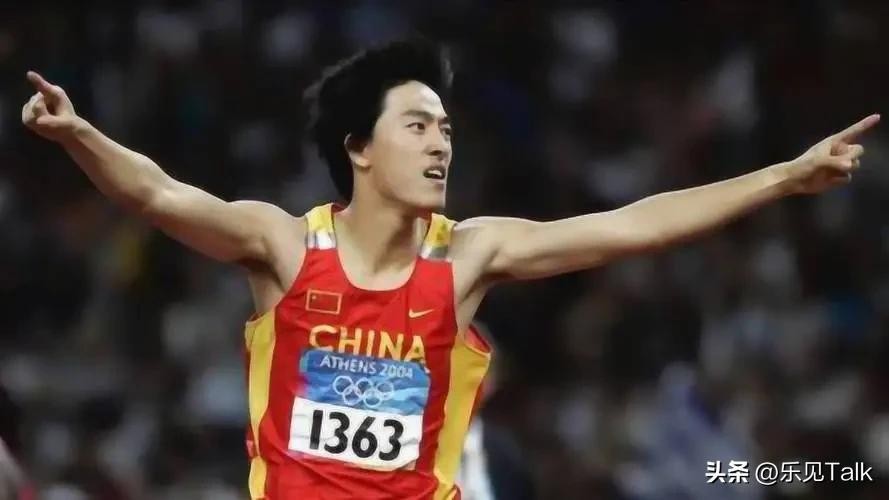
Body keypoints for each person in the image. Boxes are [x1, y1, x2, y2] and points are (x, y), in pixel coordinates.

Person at [20, 37, 877, 500]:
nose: (440, 145)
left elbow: (630, 226)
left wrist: (782, 176)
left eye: (446, 130)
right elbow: (158, 194)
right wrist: (79, 134)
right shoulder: (281, 247)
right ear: (358, 149)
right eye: (417, 127)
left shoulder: (468, 257)